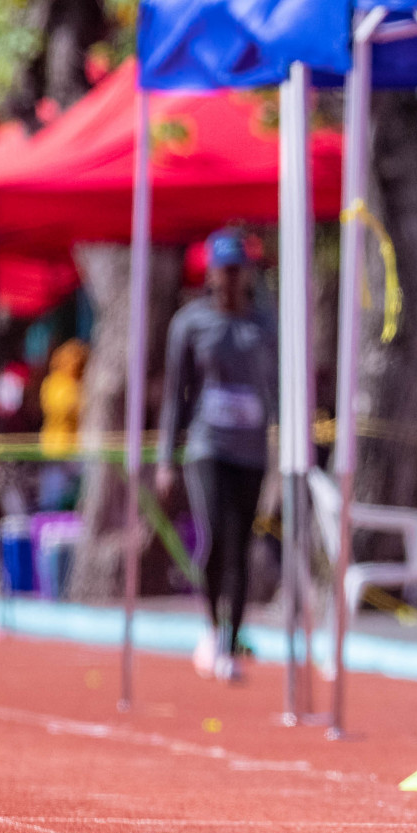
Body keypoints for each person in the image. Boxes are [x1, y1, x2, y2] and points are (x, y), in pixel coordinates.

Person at [156, 229, 277, 684]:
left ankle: (232, 642)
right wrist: (167, 458)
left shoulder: (265, 325)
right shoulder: (191, 324)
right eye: (222, 271)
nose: (229, 280)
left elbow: (279, 387)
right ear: (210, 273)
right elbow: (175, 397)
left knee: (242, 544)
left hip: (251, 449)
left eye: (237, 271)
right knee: (215, 536)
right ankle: (211, 626)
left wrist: (286, 452)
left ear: (247, 273)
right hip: (207, 447)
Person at [38, 339, 88, 512]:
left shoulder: (82, 383)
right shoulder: (53, 383)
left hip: (77, 447)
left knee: (78, 492)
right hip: (57, 447)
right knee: (54, 494)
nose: (73, 363)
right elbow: (63, 408)